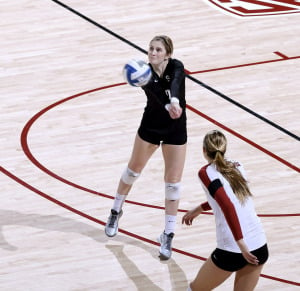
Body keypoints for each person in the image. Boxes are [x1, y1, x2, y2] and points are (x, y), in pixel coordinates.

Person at [105, 35, 187, 260]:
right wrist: (170, 104)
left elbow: (175, 85)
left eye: (158, 50)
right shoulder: (144, 73)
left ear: (167, 53)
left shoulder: (177, 66)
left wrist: (176, 104)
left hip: (175, 128)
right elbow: (158, 94)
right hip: (151, 126)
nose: (152, 53)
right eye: (151, 49)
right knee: (132, 172)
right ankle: (115, 211)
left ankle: (168, 234)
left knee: (173, 185)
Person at [182, 130, 268, 291]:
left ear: (204, 150)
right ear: (224, 149)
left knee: (195, 289)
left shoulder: (205, 172)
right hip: (259, 245)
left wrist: (241, 244)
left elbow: (228, 205)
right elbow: (231, 198)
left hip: (234, 250)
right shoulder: (238, 165)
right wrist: (200, 208)